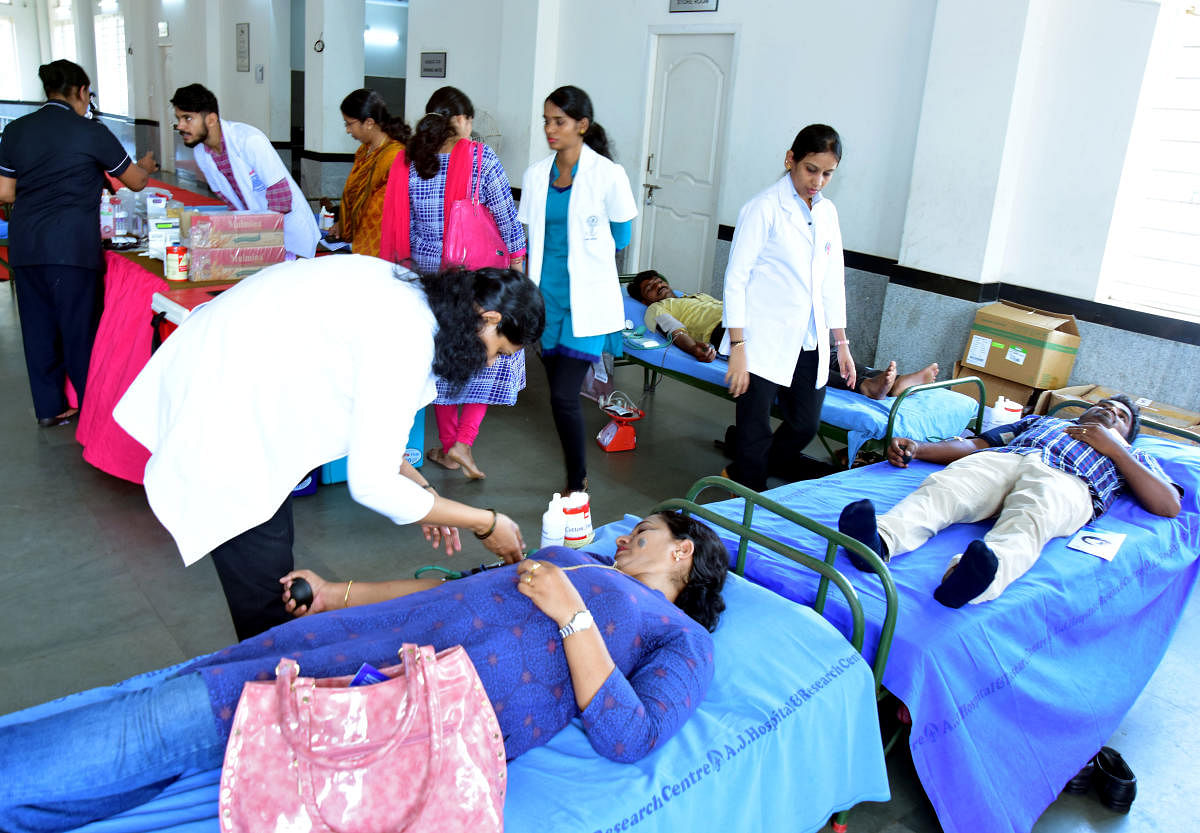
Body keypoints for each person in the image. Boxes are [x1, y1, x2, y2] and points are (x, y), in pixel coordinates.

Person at [0, 512, 728, 833]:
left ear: (685, 552)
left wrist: (574, 614)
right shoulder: (585, 560)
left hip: (395, 705)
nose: (628, 535)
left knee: (159, 725)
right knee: (169, 722)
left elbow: (630, 734)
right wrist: (341, 590)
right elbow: (449, 588)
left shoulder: (682, 636)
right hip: (351, 638)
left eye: (647, 531)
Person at [113, 257, 543, 640]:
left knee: (274, 560)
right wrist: (486, 523)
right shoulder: (406, 336)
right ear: (487, 319)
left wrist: (424, 495)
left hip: (236, 377)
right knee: (268, 598)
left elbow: (376, 428)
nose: (489, 364)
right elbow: (370, 484)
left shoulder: (415, 301)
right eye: (498, 351)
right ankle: (268, 693)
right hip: (227, 411)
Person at [837, 395, 1181, 608]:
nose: (1109, 412)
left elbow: (1168, 505)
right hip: (1009, 458)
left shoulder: (1132, 456)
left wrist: (1115, 448)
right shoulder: (1044, 422)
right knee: (948, 487)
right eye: (1104, 406)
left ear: (1127, 434)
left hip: (1069, 482)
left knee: (1033, 519)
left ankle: (968, 581)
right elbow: (975, 446)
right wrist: (918, 448)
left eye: (1120, 416)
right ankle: (877, 541)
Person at [0, 59, 157, 427]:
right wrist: (146, 165)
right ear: (82, 91)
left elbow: (5, 192)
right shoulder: (91, 132)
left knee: (37, 330)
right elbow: (135, 181)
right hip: (70, 247)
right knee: (78, 331)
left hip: (25, 246)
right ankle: (91, 410)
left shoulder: (16, 130)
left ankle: (50, 409)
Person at [384, 86, 527, 480]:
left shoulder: (408, 163)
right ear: (461, 121)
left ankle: (448, 449)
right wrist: (517, 268)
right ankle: (465, 441)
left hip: (429, 282)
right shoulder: (481, 158)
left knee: (445, 359)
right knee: (489, 354)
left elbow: (403, 226)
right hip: (479, 280)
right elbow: (507, 220)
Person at [518, 85, 638, 494]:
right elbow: (530, 235)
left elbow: (622, 237)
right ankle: (575, 473)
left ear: (581, 125)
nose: (550, 130)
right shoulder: (536, 176)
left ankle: (577, 481)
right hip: (545, 300)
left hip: (586, 303)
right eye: (547, 122)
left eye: (559, 122)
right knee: (558, 393)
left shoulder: (608, 175)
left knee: (563, 397)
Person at [721, 124, 854, 492]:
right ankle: (749, 495)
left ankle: (749, 470)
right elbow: (735, 280)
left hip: (809, 337)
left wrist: (841, 343)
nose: (819, 181)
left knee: (805, 424)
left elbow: (832, 279)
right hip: (760, 337)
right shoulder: (763, 208)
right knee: (754, 426)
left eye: (828, 173)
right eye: (812, 169)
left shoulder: (827, 214)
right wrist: (738, 348)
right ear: (790, 159)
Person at [627, 269, 939, 398]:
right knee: (793, 364)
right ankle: (865, 387)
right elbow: (673, 331)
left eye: (658, 280)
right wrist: (695, 348)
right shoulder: (656, 310)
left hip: (751, 319)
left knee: (811, 348)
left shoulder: (692, 296)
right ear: (644, 299)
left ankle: (888, 381)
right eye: (650, 288)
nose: (658, 287)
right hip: (726, 335)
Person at [170, 83, 319, 258]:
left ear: (211, 119)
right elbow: (230, 201)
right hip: (260, 233)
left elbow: (281, 199)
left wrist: (262, 243)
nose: (180, 126)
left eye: (187, 118)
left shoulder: (248, 139)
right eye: (178, 118)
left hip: (290, 234)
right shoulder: (201, 153)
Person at [327, 89, 409, 257]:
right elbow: (356, 197)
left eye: (349, 124)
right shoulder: (364, 151)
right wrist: (344, 222)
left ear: (369, 122)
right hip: (359, 243)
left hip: (382, 247)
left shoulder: (395, 156)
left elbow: (384, 210)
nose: (348, 131)